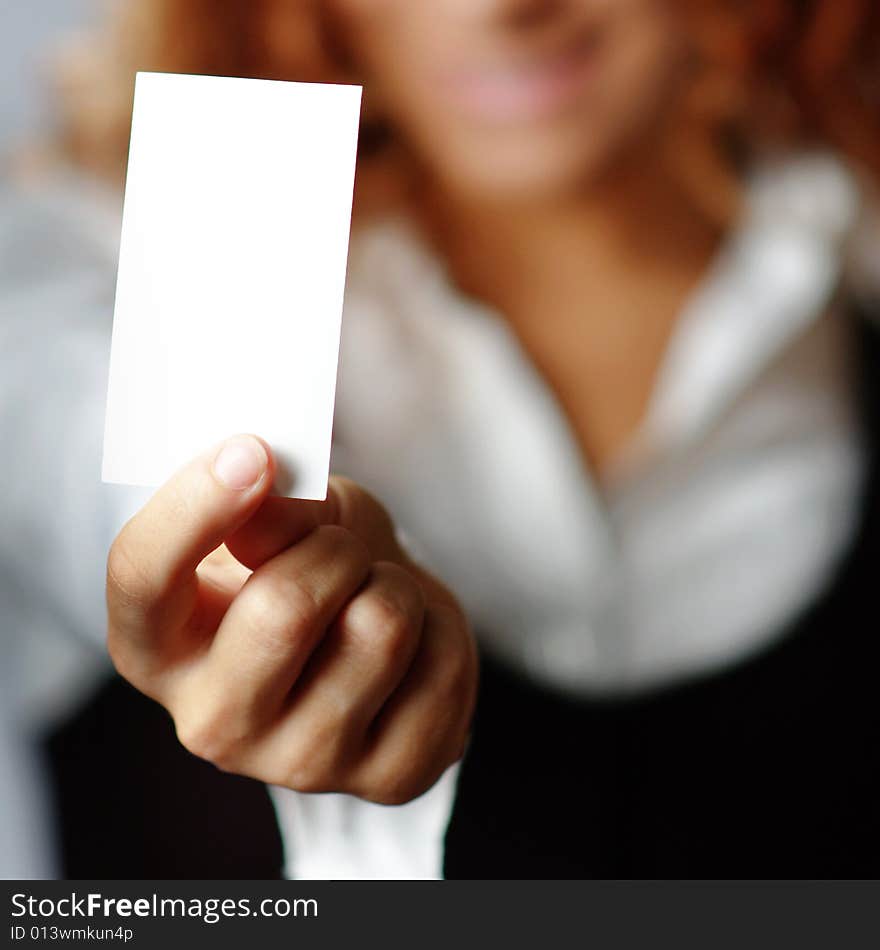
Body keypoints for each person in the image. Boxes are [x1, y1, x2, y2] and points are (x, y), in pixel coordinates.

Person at [4, 0, 880, 878]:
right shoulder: (113, 271)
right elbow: (71, 451)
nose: (500, 10)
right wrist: (216, 572)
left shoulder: (853, 257)